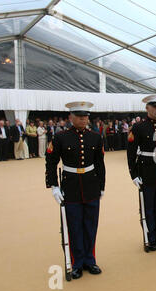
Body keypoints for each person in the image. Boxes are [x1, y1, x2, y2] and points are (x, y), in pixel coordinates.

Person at [45, 101, 106, 280]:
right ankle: (77, 262)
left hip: (91, 186)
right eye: (79, 116)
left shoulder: (95, 137)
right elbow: (51, 163)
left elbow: (100, 164)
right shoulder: (60, 137)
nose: (83, 119)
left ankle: (90, 260)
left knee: (90, 225)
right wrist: (54, 185)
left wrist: (102, 186)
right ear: (70, 117)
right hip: (70, 186)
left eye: (86, 116)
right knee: (74, 226)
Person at [127, 94, 156, 252]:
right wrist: (133, 174)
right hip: (146, 171)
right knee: (148, 208)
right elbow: (131, 153)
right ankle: (149, 238)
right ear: (147, 108)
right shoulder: (138, 128)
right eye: (154, 107)